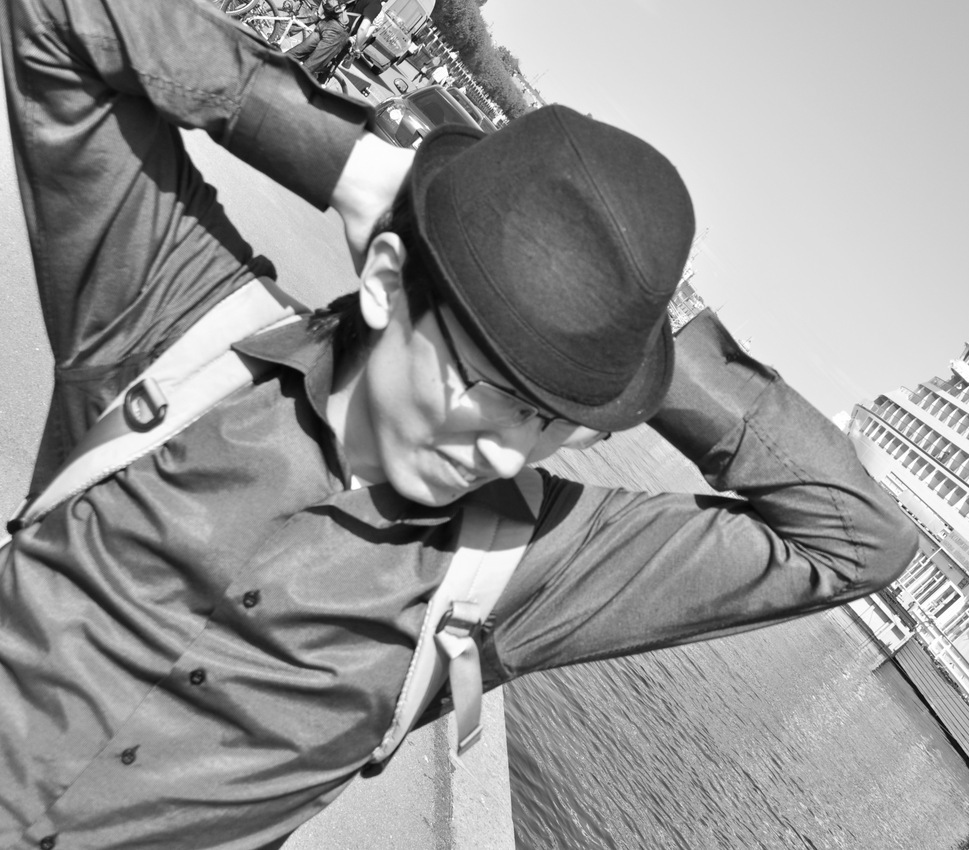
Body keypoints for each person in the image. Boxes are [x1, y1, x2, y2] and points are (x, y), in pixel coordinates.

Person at [0, 0, 917, 847]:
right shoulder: (179, 334)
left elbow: (858, 540)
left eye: (550, 420)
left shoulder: (525, 566)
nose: (505, 449)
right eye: (487, 386)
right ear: (385, 281)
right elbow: (58, 21)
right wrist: (368, 167)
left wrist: (634, 336)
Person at [284, 0, 350, 79]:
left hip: (326, 22)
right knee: (309, 67)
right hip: (337, 30)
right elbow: (362, 28)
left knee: (297, 52)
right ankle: (289, 82)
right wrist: (357, 47)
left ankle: (275, 64)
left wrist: (320, 13)